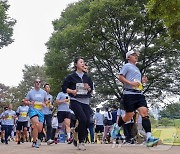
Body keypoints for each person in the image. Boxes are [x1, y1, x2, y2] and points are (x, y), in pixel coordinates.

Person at [117, 50, 159, 147]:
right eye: (133, 55)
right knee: (129, 115)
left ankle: (149, 137)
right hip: (129, 94)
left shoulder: (137, 69)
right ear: (128, 57)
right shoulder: (126, 66)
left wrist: (142, 81)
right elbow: (120, 77)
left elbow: (137, 83)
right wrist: (131, 84)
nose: (136, 56)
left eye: (136, 55)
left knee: (144, 113)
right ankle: (117, 126)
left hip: (139, 94)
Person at [62, 57, 94, 150]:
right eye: (81, 62)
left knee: (88, 121)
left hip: (85, 101)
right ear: (76, 64)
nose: (83, 63)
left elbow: (91, 91)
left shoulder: (87, 77)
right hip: (75, 100)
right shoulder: (71, 77)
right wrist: (72, 91)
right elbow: (64, 88)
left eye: (83, 62)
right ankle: (81, 142)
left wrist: (88, 88)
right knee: (83, 119)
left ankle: (76, 131)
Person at [24, 78, 48, 148]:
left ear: (40, 83)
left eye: (39, 82)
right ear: (34, 83)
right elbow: (25, 101)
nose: (38, 83)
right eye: (36, 82)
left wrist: (45, 104)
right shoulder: (30, 92)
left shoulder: (43, 92)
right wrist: (30, 102)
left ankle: (34, 135)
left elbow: (46, 101)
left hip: (41, 111)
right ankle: (34, 141)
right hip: (32, 110)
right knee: (36, 124)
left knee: (40, 129)